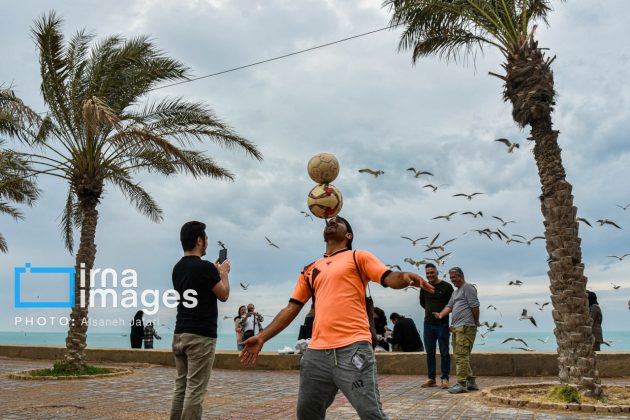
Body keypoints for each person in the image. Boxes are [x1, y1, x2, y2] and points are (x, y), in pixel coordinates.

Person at [239, 215, 434, 420]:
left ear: (348, 235)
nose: (332, 222)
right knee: (307, 414)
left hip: (353, 349)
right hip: (316, 354)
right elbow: (291, 308)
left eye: (338, 221)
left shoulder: (358, 257)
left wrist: (405, 278)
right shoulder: (310, 269)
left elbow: (388, 277)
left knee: (371, 414)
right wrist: (262, 337)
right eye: (330, 221)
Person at [170, 221, 231, 420]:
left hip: (180, 334)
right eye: (205, 239)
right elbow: (223, 295)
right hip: (200, 336)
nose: (206, 243)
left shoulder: (177, 268)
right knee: (195, 390)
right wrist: (223, 274)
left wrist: (213, 272)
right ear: (199, 240)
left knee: (181, 387)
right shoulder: (206, 268)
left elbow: (198, 284)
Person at [433, 267, 480, 394]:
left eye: (454, 277)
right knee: (460, 355)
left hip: (466, 327)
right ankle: (471, 382)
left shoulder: (468, 288)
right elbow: (450, 306)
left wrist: (476, 321)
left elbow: (475, 306)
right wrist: (441, 315)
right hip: (457, 328)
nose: (452, 280)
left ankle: (461, 384)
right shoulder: (456, 292)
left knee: (461, 356)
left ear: (461, 276)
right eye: (451, 278)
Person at [420, 263, 454, 389]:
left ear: (437, 272)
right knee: (430, 352)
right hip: (428, 324)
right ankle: (431, 378)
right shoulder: (424, 286)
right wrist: (431, 311)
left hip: (442, 324)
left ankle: (445, 379)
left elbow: (452, 305)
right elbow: (423, 303)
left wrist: (442, 314)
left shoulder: (447, 287)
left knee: (444, 352)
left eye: (432, 272)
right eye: (427, 273)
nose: (429, 275)